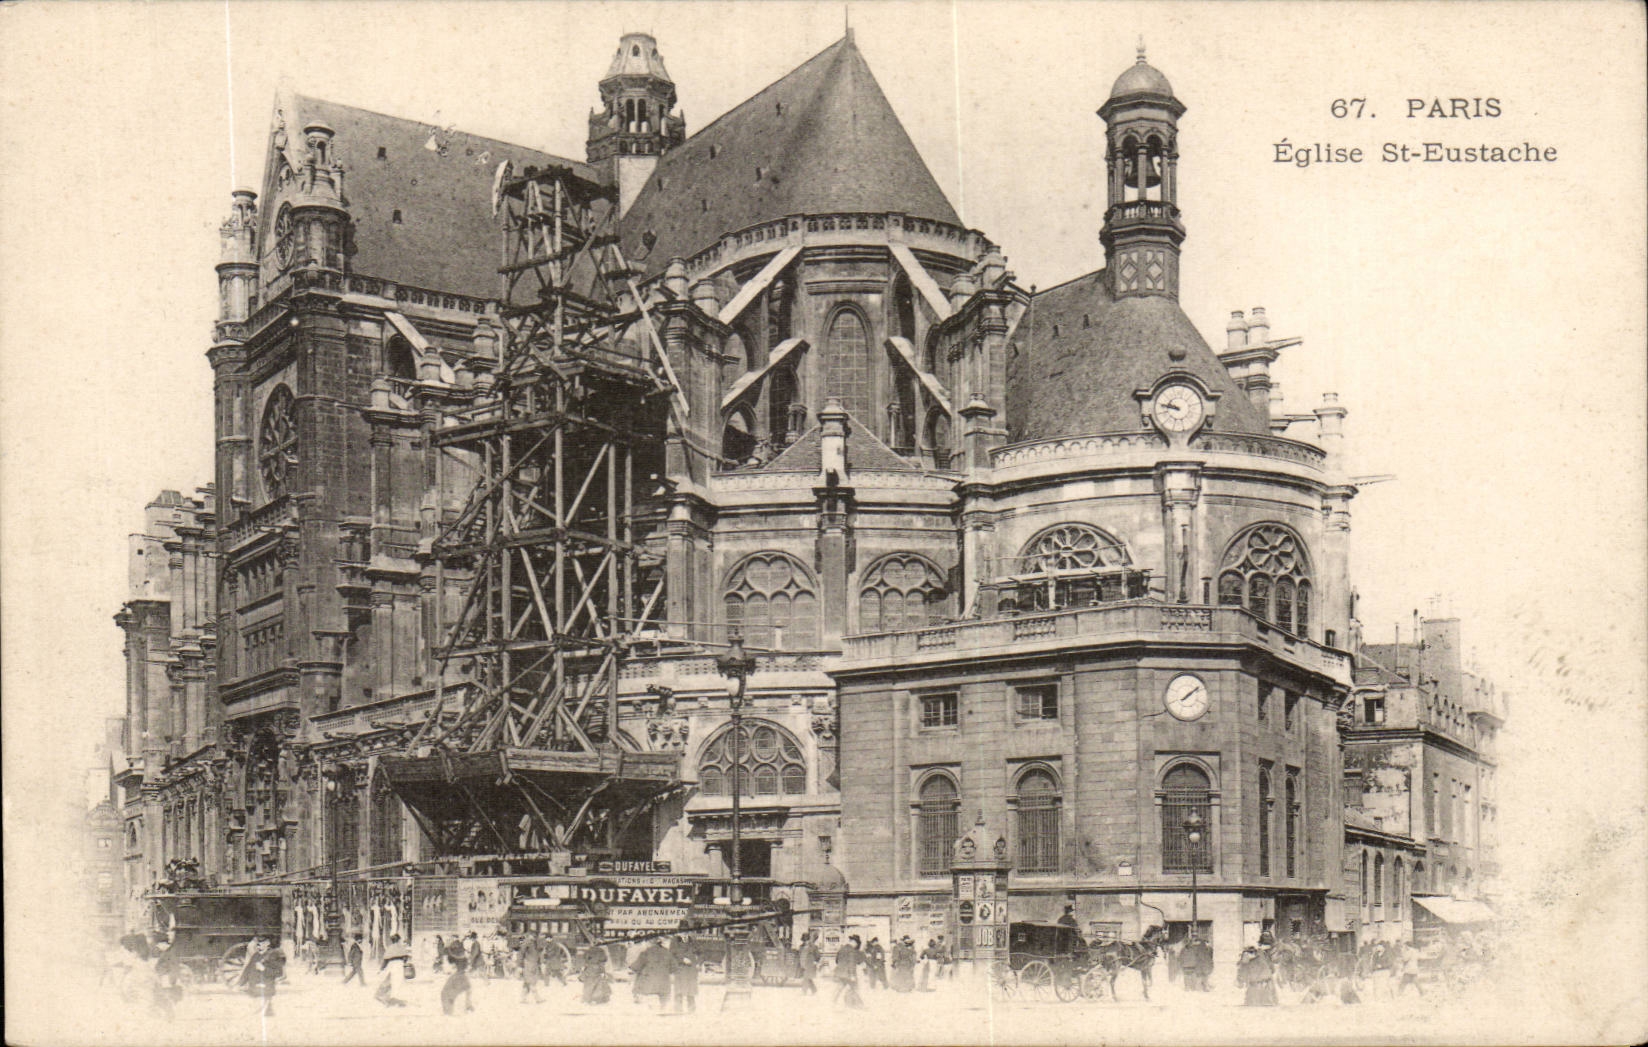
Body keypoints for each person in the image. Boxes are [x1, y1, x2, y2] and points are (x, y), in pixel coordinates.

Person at [631, 937, 675, 1012]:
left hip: (649, 983)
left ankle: (649, 1007)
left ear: (649, 943)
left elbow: (636, 966)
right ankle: (663, 1008)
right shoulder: (667, 952)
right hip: (664, 983)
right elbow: (674, 967)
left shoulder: (646, 952)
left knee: (640, 984)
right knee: (664, 998)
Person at [250, 937, 285, 1017]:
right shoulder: (256, 956)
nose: (259, 946)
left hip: (267, 988)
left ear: (268, 943)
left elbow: (279, 973)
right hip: (256, 989)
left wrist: (264, 969)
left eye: (261, 943)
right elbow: (248, 971)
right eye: (258, 944)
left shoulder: (274, 956)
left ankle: (268, 1008)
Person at [440, 938, 475, 1016]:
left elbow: (451, 960)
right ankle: (467, 1006)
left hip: (459, 976)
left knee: (447, 994)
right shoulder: (462, 956)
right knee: (465, 991)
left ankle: (450, 1012)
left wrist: (449, 949)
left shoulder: (458, 957)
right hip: (461, 976)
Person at [375, 933, 411, 1008]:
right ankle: (398, 1000)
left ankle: (388, 999)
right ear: (398, 940)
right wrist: (402, 962)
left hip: (391, 966)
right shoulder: (401, 947)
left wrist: (381, 969)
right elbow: (406, 958)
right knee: (398, 983)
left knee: (390, 981)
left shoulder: (390, 948)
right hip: (399, 966)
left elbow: (385, 960)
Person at [832, 935, 866, 1008]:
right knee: (855, 987)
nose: (856, 945)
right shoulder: (852, 951)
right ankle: (858, 1005)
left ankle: (832, 1002)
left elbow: (836, 960)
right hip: (848, 974)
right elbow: (852, 964)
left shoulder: (841, 949)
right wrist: (852, 975)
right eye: (856, 943)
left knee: (839, 988)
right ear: (854, 942)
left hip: (840, 973)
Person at [672, 938, 699, 1014]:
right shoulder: (675, 942)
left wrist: (698, 963)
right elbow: (671, 955)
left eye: (687, 931)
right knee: (679, 991)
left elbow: (702, 953)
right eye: (682, 932)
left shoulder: (693, 941)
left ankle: (691, 1011)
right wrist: (682, 959)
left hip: (691, 971)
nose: (684, 934)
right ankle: (678, 1011)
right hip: (680, 970)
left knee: (691, 991)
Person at [797, 932, 820, 996]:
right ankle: (814, 990)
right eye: (804, 940)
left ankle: (804, 992)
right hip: (803, 965)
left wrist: (816, 961)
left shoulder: (813, 947)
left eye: (807, 940)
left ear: (809, 940)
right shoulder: (801, 947)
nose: (805, 942)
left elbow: (818, 955)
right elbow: (799, 955)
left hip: (810, 965)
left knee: (806, 978)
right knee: (808, 978)